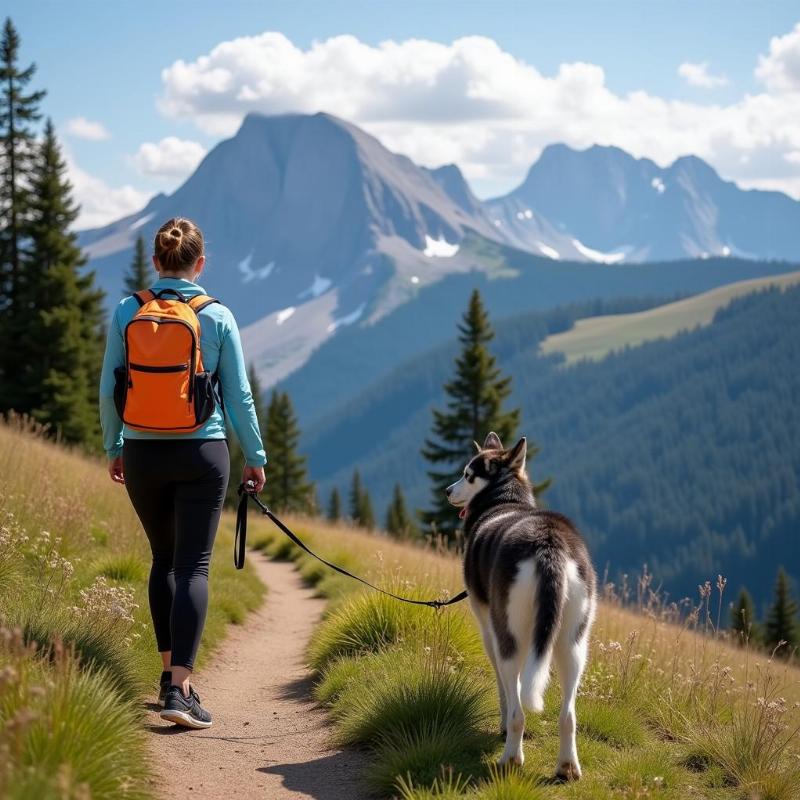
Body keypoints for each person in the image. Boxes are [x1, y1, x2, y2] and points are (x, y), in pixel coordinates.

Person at [98, 217, 266, 729]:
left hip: (144, 451)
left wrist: (115, 445)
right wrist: (255, 456)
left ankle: (168, 674)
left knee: (163, 561)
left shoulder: (129, 308)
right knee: (193, 566)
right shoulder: (216, 316)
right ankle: (180, 690)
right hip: (201, 453)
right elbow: (237, 396)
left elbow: (109, 385)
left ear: (155, 261)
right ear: (200, 263)